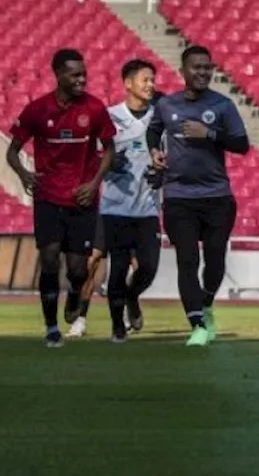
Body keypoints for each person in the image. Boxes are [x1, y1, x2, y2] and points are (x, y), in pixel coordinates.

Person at [7, 48, 115, 347]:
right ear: (58, 75)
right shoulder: (37, 110)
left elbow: (109, 150)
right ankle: (51, 327)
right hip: (48, 198)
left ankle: (74, 295)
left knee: (79, 268)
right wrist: (24, 175)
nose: (82, 79)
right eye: (75, 74)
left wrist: (94, 184)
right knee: (51, 258)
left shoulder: (94, 108)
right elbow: (12, 150)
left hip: (83, 199)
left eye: (84, 74)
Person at [147, 45, 250, 346]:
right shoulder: (167, 105)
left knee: (215, 260)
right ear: (183, 71)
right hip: (178, 196)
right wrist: (155, 150)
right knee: (187, 260)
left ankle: (205, 304)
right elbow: (154, 131)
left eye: (207, 67)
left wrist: (210, 134)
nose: (203, 72)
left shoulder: (222, 105)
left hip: (217, 196)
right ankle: (197, 324)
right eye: (197, 67)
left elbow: (242, 144)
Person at [92, 59, 163, 342]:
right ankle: (117, 326)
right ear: (128, 83)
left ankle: (132, 298)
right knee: (118, 267)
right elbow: (92, 156)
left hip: (147, 207)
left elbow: (167, 158)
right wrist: (107, 161)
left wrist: (162, 176)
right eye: (145, 80)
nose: (150, 85)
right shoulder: (109, 117)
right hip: (116, 206)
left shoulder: (159, 119)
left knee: (148, 267)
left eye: (152, 80)